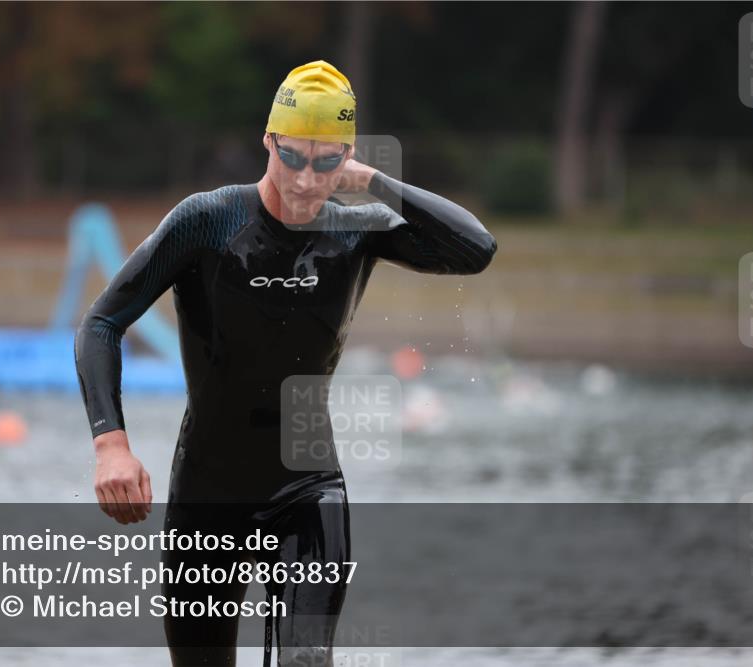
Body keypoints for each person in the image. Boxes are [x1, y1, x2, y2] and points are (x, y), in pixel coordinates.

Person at [74, 59, 497, 667]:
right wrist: (110, 444)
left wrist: (375, 181)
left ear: (347, 157)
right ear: (267, 140)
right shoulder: (208, 221)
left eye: (326, 162)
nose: (304, 179)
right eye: (292, 156)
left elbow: (476, 250)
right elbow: (101, 323)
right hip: (207, 493)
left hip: (307, 487)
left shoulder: (358, 231)